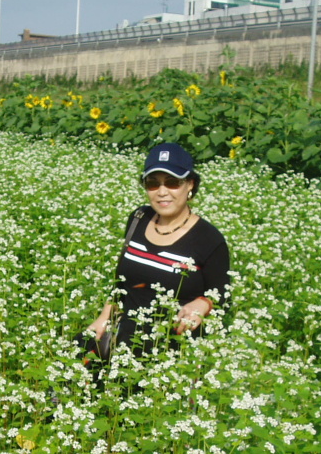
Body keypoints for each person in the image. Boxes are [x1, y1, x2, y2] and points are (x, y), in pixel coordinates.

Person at [84, 142, 230, 361]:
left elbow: (222, 297)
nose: (162, 192)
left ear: (190, 185)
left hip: (168, 351)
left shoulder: (209, 239)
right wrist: (104, 318)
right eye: (153, 184)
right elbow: (121, 283)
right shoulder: (138, 219)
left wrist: (203, 303)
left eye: (172, 183)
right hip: (120, 338)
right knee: (62, 384)